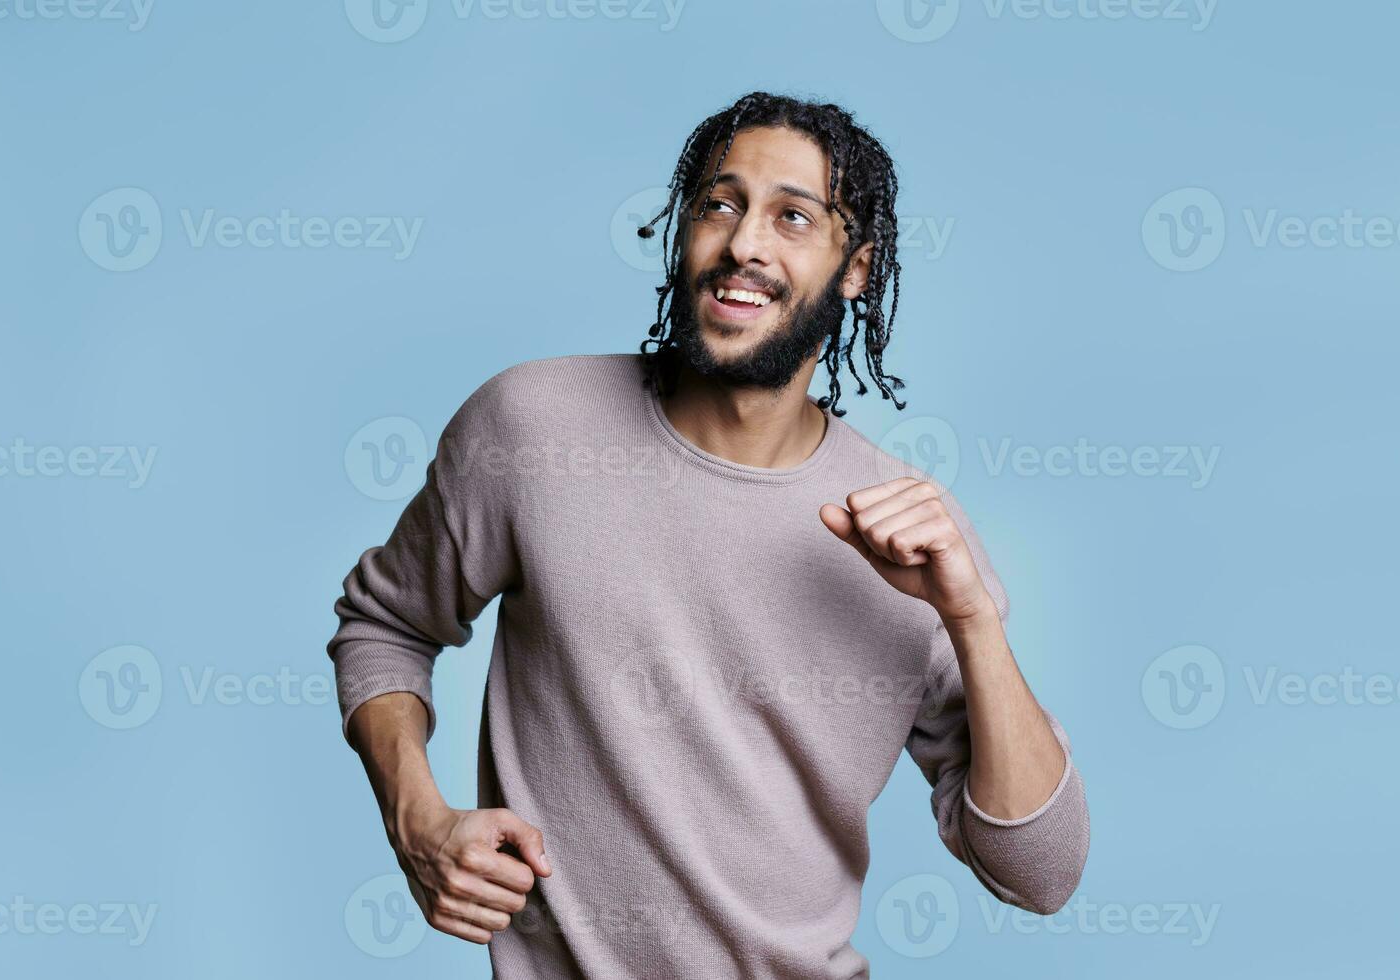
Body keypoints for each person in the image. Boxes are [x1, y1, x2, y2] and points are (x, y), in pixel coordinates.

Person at [327, 90, 1089, 979]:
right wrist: (416, 818)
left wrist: (973, 621)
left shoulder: (913, 538)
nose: (743, 245)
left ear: (856, 269)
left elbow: (1041, 873)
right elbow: (385, 625)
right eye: (719, 206)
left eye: (793, 217)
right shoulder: (533, 428)